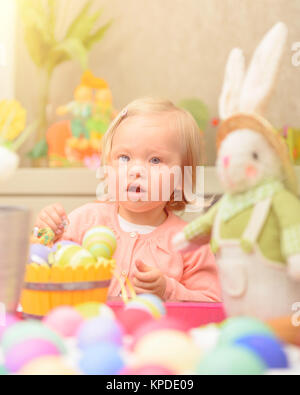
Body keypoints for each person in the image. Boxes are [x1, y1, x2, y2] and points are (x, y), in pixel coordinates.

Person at [35, 98, 221, 302]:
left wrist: (167, 291)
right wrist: (47, 232)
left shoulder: (190, 244)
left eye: (155, 160)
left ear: (181, 178)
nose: (135, 170)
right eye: (124, 158)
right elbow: (42, 261)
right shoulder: (85, 220)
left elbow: (212, 303)